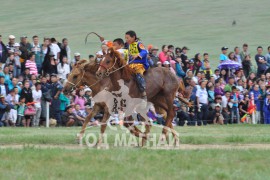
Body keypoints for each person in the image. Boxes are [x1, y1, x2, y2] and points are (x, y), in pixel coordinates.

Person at [125, 30, 149, 102]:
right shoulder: (128, 45)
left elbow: (144, 51)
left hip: (140, 64)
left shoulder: (139, 44)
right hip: (130, 64)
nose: (126, 40)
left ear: (133, 37)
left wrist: (139, 55)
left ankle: (143, 91)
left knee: (138, 73)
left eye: (127, 38)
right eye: (125, 38)